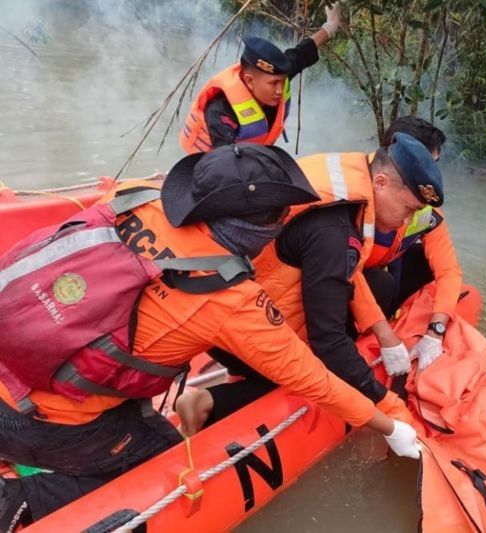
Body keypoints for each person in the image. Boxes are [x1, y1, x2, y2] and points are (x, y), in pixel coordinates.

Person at [0, 144, 420, 531]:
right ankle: (17, 501)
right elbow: (314, 378)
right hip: (35, 418)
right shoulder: (227, 298)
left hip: (18, 356)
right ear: (257, 235)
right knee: (167, 466)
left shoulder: (137, 195)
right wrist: (391, 425)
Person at [175, 133, 444, 433]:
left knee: (378, 286)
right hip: (234, 321)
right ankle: (208, 402)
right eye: (407, 210)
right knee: (311, 372)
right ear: (380, 183)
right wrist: (390, 409)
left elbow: (347, 271)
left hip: (223, 292)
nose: (406, 223)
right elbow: (328, 342)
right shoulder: (334, 230)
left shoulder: (345, 179)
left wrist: (382, 333)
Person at [355, 117, 462, 375]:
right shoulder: (354, 194)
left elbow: (448, 271)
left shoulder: (426, 212)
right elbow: (342, 270)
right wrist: (382, 332)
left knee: (421, 262)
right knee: (381, 284)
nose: (430, 175)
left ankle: (394, 319)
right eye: (424, 163)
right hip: (335, 279)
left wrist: (435, 331)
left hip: (373, 270)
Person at [180, 3, 341, 153]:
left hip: (252, 153)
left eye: (283, 81)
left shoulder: (277, 74)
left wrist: (330, 26)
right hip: (208, 164)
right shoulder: (221, 111)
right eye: (273, 84)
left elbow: (301, 53)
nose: (280, 90)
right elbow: (225, 163)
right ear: (250, 81)